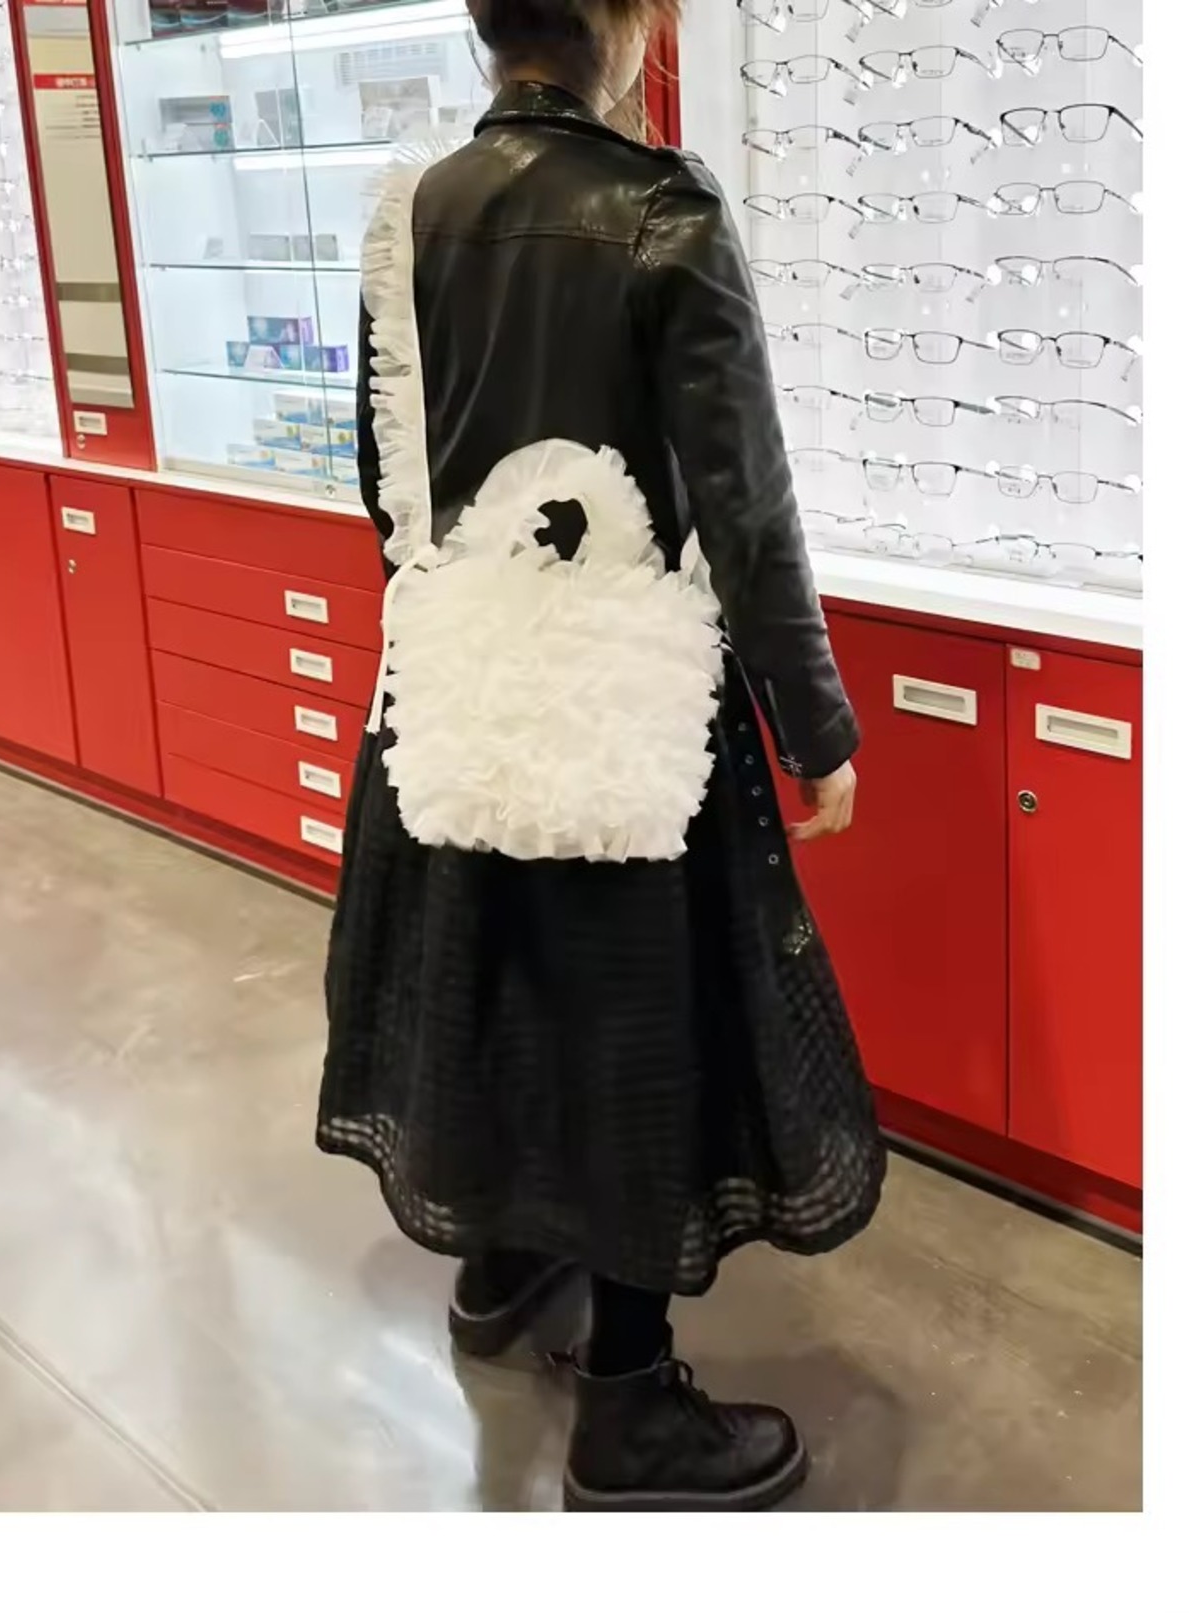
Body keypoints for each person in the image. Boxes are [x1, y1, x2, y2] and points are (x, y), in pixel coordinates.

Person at [317, 0, 886, 1512]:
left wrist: (475, 622)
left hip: (452, 707)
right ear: (630, 22)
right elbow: (744, 503)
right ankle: (628, 1407)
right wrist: (814, 727)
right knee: (641, 1035)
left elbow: (386, 482)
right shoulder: (662, 214)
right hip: (629, 716)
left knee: (496, 983)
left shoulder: (406, 214)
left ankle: (503, 1268)